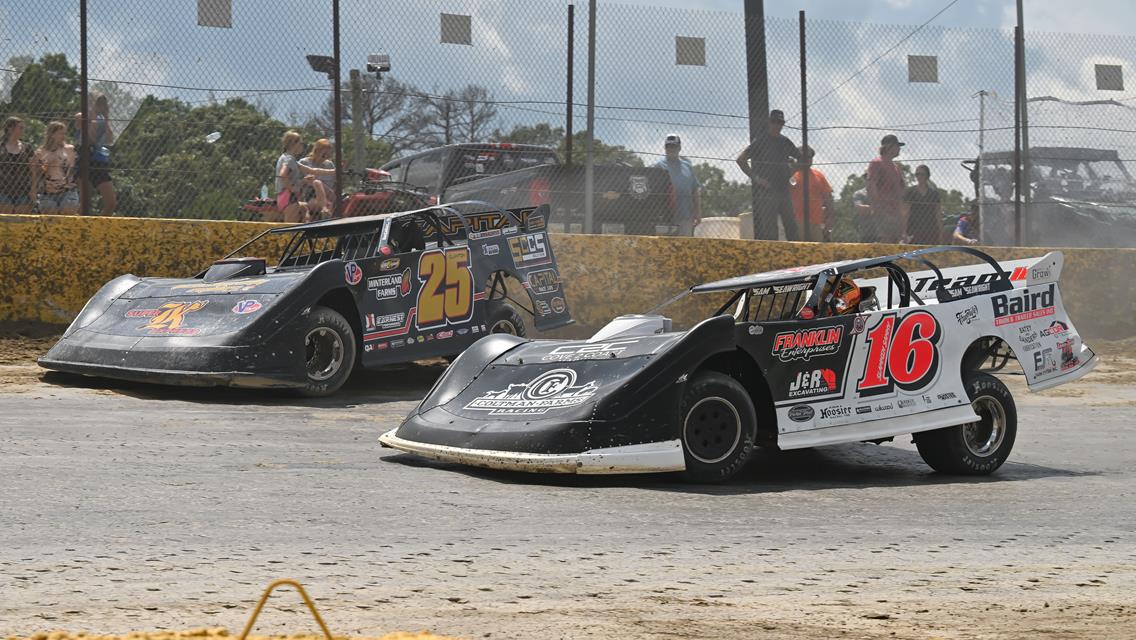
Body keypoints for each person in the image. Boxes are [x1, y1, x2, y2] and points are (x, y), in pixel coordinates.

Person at [736, 109, 801, 240]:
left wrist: (791, 170)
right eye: (775, 122)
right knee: (770, 230)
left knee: (792, 227)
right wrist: (756, 178)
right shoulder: (761, 141)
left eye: (780, 122)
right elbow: (741, 159)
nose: (778, 125)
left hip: (784, 189)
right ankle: (773, 257)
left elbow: (800, 159)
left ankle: (795, 257)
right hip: (767, 191)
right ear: (769, 123)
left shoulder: (785, 141)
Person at [274, 131, 335, 223]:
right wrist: (291, 188)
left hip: (287, 196)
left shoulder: (290, 159)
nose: (303, 145)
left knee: (303, 211)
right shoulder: (288, 159)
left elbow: (312, 170)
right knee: (290, 228)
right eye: (301, 143)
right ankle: (323, 210)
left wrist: (333, 171)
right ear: (293, 144)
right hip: (288, 196)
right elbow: (282, 175)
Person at [74, 93, 117, 215]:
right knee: (86, 202)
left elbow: (110, 140)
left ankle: (98, 228)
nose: (101, 107)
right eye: (98, 103)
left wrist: (107, 118)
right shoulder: (81, 116)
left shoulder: (103, 119)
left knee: (111, 203)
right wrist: (93, 118)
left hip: (100, 161)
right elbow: (90, 139)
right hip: (85, 159)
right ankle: (77, 229)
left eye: (103, 104)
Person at [653, 134, 701, 236]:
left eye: (673, 146)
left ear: (679, 148)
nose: (671, 149)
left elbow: (695, 190)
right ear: (665, 148)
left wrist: (697, 212)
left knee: (684, 246)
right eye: (668, 146)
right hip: (665, 217)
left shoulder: (687, 166)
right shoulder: (658, 166)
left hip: (686, 216)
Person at [865, 134, 906, 243]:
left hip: (895, 212)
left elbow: (901, 191)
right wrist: (879, 208)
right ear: (889, 147)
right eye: (897, 146)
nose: (899, 149)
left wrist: (901, 212)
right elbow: (871, 185)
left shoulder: (895, 167)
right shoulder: (877, 163)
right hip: (883, 211)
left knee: (895, 242)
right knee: (885, 241)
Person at [31, 121, 79, 215]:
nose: (63, 136)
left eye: (65, 133)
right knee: (50, 219)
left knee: (67, 215)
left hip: (67, 190)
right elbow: (36, 173)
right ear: (52, 134)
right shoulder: (40, 152)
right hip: (48, 191)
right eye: (60, 133)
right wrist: (46, 164)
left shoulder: (70, 149)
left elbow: (73, 168)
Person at [788, 146, 834, 242]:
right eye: (804, 157)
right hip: (796, 221)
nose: (808, 160)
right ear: (798, 158)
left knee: (817, 250)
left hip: (816, 221)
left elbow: (828, 198)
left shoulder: (818, 175)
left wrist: (829, 220)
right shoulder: (791, 173)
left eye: (810, 157)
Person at [0, 117, 36, 214]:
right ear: (10, 129)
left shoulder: (27, 147)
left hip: (23, 189)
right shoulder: (1, 147)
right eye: (20, 127)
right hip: (3, 189)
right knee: (5, 217)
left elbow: (33, 170)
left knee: (22, 218)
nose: (23, 130)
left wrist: (33, 189)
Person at [904, 164, 941, 244]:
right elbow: (906, 212)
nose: (919, 176)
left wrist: (940, 232)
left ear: (927, 176)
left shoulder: (934, 193)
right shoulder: (911, 191)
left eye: (922, 174)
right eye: (917, 174)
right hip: (914, 228)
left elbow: (938, 214)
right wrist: (904, 232)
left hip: (930, 229)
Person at [299, 138, 335, 216]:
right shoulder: (304, 162)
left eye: (328, 155)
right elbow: (296, 182)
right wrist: (305, 180)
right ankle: (324, 209)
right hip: (311, 195)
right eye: (324, 154)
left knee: (318, 183)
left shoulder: (329, 164)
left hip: (328, 193)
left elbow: (333, 184)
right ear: (316, 151)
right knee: (316, 182)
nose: (326, 157)